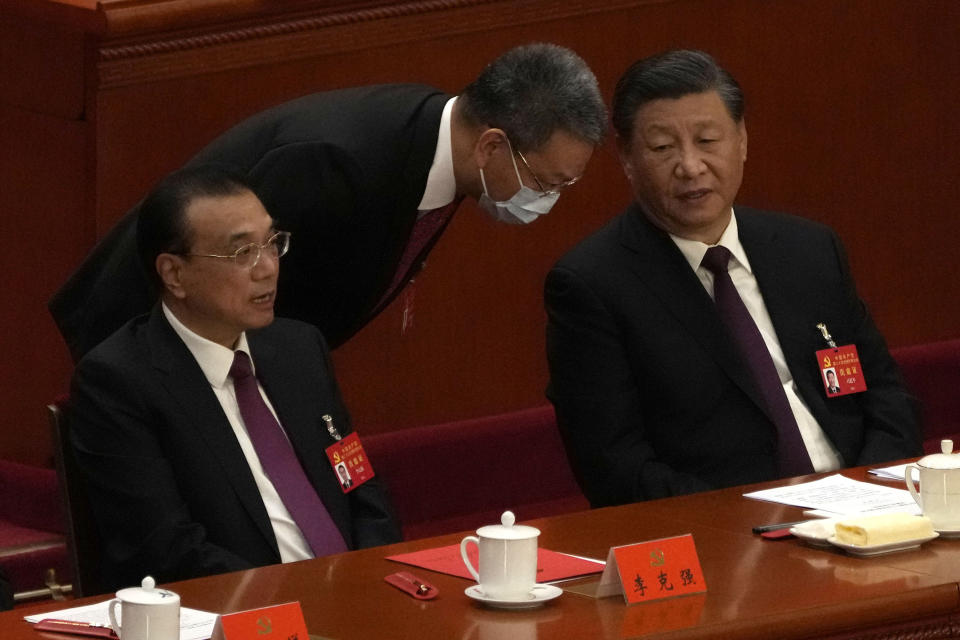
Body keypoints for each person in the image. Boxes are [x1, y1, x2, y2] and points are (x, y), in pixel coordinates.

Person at [50, 43, 607, 362]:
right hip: (143, 346)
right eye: (547, 181)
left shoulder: (435, 145)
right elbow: (218, 279)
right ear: (492, 145)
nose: (547, 200)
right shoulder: (336, 166)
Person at [545, 49, 920, 508]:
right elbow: (615, 467)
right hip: (735, 533)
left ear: (741, 139)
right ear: (626, 156)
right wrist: (752, 521)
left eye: (707, 139)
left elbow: (886, 395)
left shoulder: (810, 250)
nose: (690, 166)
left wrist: (873, 494)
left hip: (867, 510)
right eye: (663, 148)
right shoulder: (593, 285)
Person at [69, 166, 401, 590]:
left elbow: (357, 481)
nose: (268, 269)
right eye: (242, 253)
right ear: (174, 274)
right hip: (243, 613)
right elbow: (167, 551)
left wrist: (373, 576)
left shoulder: (297, 349)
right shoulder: (119, 382)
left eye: (273, 243)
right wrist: (304, 597)